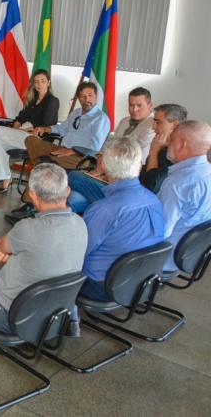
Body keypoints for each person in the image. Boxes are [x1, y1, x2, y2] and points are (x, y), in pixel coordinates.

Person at [0, 164, 87, 355]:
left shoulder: (27, 228)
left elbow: (4, 246)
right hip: (54, 307)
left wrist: (8, 249)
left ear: (32, 195)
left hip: (11, 312)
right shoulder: (80, 223)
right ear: (67, 191)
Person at [73, 136, 165, 333]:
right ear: (139, 166)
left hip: (101, 287)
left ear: (104, 166)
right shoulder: (155, 201)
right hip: (142, 282)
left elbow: (78, 253)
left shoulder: (104, 209)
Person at [7, 81, 110, 222]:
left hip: (81, 157)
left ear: (96, 97)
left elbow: (94, 147)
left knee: (44, 164)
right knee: (31, 140)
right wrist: (45, 129)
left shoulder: (101, 118)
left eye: (90, 95)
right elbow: (61, 129)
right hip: (62, 149)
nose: (86, 99)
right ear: (78, 98)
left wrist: (73, 151)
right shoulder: (76, 113)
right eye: (83, 96)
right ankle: (43, 166)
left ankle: (31, 205)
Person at [67, 91, 169, 213]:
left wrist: (104, 171)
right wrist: (100, 164)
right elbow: (108, 146)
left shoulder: (152, 127)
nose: (134, 109)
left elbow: (127, 156)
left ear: (150, 105)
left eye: (139, 105)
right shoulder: (124, 121)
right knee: (73, 197)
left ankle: (112, 209)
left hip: (122, 182)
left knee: (74, 177)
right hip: (109, 176)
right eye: (131, 105)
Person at [158, 120, 211, 273]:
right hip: (194, 254)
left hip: (164, 258)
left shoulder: (178, 184)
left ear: (182, 144)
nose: (167, 144)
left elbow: (160, 232)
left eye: (171, 139)